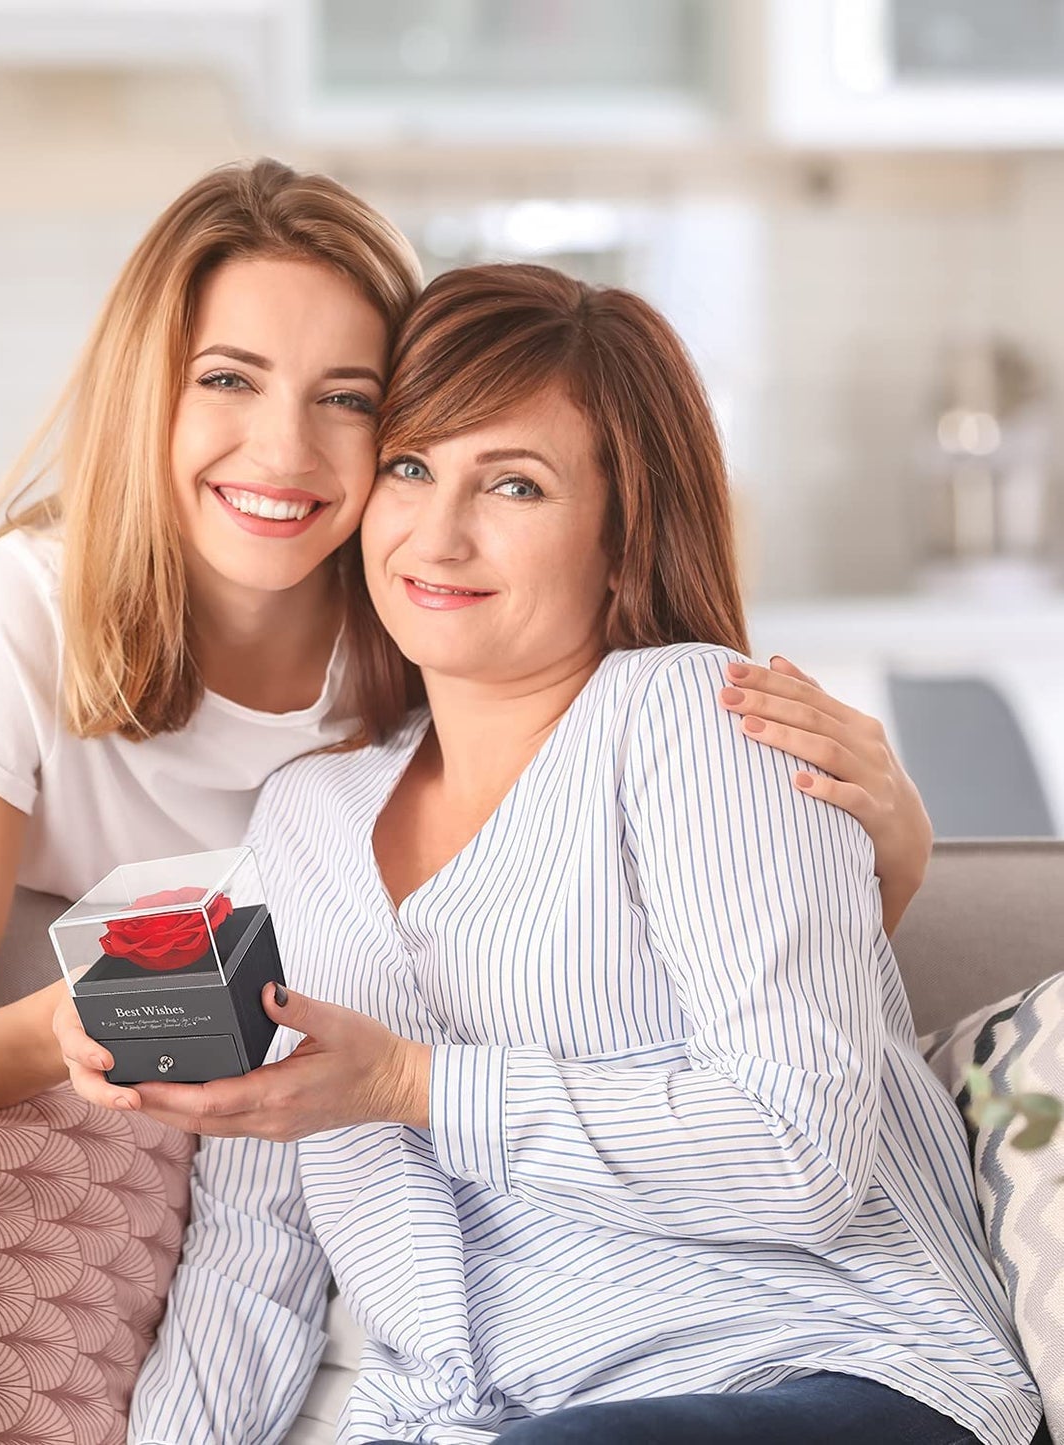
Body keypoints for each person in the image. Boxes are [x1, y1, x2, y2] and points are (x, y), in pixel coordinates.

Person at [0, 159, 929, 1114]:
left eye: (345, 398)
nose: (283, 451)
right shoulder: (22, 608)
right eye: (227, 379)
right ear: (149, 391)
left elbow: (617, 930)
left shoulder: (419, 599)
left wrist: (895, 854)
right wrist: (63, 1021)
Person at [58, 265, 1041, 1445]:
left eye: (513, 483)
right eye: (410, 467)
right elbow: (253, 1247)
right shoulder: (302, 818)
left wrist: (412, 1083)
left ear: (624, 540)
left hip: (812, 1370)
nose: (438, 533)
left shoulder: (693, 719)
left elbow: (798, 1151)